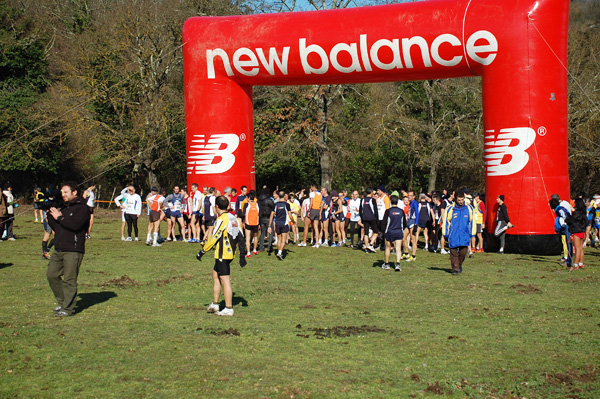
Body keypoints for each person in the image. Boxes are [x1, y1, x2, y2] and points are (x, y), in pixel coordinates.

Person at [197, 196, 246, 317]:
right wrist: (242, 254)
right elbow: (240, 235)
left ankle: (229, 308)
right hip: (230, 253)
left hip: (222, 254)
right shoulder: (233, 217)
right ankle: (215, 304)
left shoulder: (221, 219)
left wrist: (203, 251)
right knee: (215, 275)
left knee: (225, 279)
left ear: (217, 207)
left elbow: (214, 237)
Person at [46, 182, 90, 316]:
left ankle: (68, 308)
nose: (63, 195)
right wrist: (50, 214)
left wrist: (60, 216)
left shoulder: (82, 208)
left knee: (69, 279)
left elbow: (75, 225)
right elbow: (57, 226)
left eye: (65, 192)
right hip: (59, 247)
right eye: (62, 192)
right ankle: (62, 302)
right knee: (52, 275)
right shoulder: (64, 208)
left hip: (73, 249)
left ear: (74, 192)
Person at [443, 191, 475, 275]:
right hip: (453, 234)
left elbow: (472, 221)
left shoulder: (469, 208)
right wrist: (445, 232)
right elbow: (446, 220)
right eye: (459, 200)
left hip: (464, 234)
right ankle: (455, 268)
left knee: (463, 252)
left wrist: (472, 232)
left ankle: (459, 264)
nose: (461, 201)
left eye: (462, 200)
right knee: (453, 252)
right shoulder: (450, 208)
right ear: (456, 199)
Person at [381, 195, 406, 271]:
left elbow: (384, 223)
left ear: (390, 202)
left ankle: (387, 264)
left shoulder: (388, 211)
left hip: (389, 232)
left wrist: (383, 232)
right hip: (399, 232)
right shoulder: (401, 211)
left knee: (388, 248)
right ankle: (398, 264)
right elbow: (404, 223)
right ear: (397, 202)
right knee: (398, 248)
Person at [268, 190, 293, 260]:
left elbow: (271, 215)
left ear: (278, 196)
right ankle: (280, 252)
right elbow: (290, 215)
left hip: (277, 223)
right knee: (284, 240)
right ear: (284, 196)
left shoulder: (275, 205)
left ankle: (280, 253)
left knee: (279, 239)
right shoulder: (287, 205)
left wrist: (269, 225)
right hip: (284, 224)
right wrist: (293, 221)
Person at [566, 198, 587, 271]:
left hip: (576, 231)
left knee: (577, 248)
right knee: (580, 248)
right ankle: (581, 263)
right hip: (582, 231)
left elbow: (571, 220)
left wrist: (566, 219)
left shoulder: (576, 213)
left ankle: (575, 264)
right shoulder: (583, 212)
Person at [242, 190, 260, 256]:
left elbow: (243, 214)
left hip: (248, 223)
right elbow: (259, 214)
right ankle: (255, 250)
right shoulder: (257, 204)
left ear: (249, 198)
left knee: (247, 238)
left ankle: (248, 252)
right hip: (255, 223)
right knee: (255, 237)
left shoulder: (246, 204)